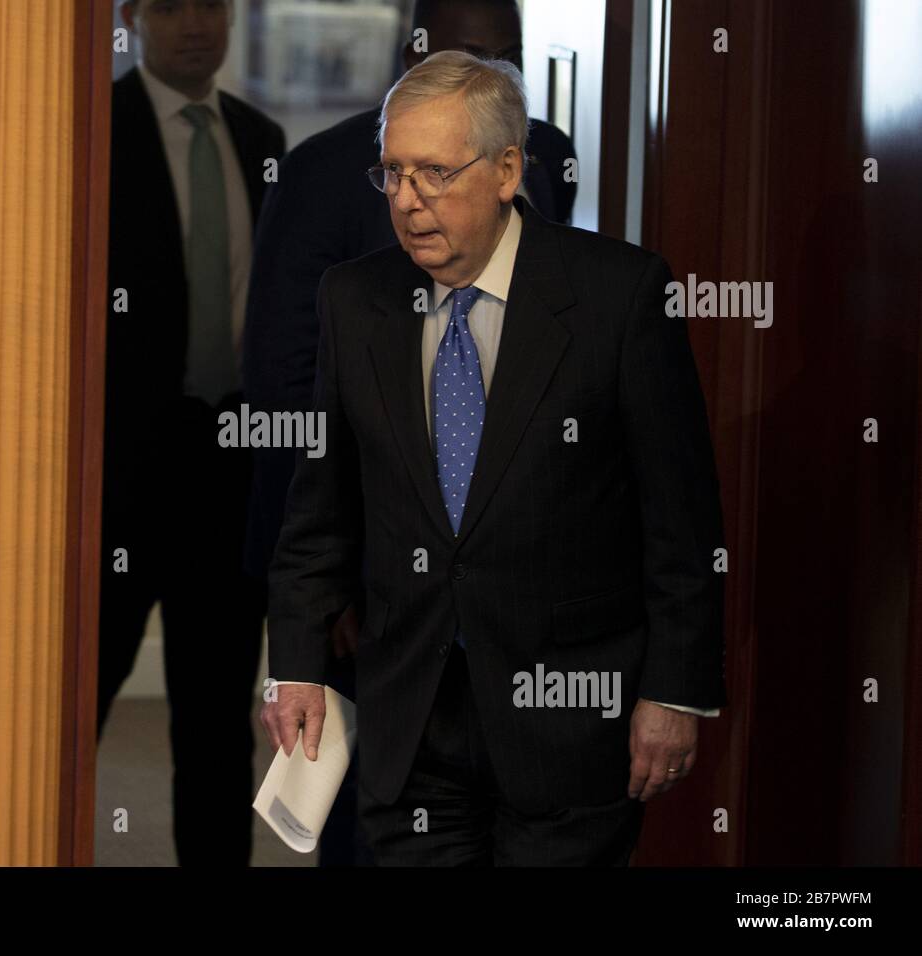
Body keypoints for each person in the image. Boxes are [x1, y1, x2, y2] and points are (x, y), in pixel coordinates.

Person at [261, 51, 726, 866]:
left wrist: (673, 691)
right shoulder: (355, 300)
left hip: (570, 721)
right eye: (393, 173)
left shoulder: (620, 296)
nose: (407, 202)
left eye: (435, 173)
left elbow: (681, 523)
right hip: (412, 714)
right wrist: (296, 669)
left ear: (508, 169)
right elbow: (319, 512)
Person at [243, 0, 576, 866]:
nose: (497, 81)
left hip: (511, 587)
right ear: (414, 50)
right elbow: (286, 394)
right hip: (374, 579)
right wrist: (326, 597)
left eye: (512, 58)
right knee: (375, 810)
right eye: (475, 55)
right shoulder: (321, 173)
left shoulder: (544, 156)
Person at [101, 0, 285, 866]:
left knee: (216, 723)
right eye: (171, 6)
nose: (195, 25)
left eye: (210, 4)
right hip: (120, 474)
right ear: (133, 18)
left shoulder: (263, 139)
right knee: (78, 702)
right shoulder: (94, 132)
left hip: (231, 470)